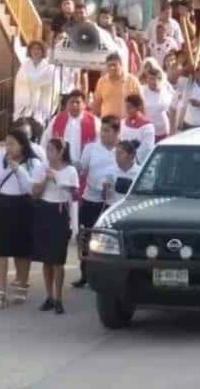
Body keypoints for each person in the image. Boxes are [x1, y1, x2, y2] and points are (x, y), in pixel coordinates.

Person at [0, 129, 42, 309]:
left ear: (22, 145)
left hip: (23, 205)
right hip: (3, 203)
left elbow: (30, 188)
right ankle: (1, 291)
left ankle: (21, 285)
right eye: (6, 143)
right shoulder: (0, 158)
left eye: (12, 144)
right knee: (0, 250)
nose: (8, 148)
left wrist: (17, 168)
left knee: (22, 249)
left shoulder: (33, 162)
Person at [31, 138, 78, 314]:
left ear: (60, 152)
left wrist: (57, 179)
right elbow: (35, 193)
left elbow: (74, 193)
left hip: (59, 212)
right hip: (44, 210)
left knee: (58, 259)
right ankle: (49, 296)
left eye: (52, 150)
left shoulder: (70, 170)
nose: (49, 153)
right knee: (46, 259)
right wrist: (45, 179)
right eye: (47, 149)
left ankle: (59, 298)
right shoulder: (41, 167)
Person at [73, 115, 119, 288]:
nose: (103, 134)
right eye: (102, 130)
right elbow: (82, 169)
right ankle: (85, 273)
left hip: (112, 202)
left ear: (116, 133)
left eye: (107, 130)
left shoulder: (122, 149)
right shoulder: (91, 148)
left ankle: (108, 275)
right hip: (91, 199)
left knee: (108, 240)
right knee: (86, 238)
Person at [41, 90, 100, 164]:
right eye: (71, 102)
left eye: (78, 102)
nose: (74, 105)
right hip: (61, 167)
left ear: (84, 104)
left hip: (85, 167)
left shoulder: (94, 122)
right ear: (67, 104)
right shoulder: (57, 120)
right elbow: (45, 141)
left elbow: (100, 144)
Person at [14, 41, 55, 123]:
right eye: (33, 49)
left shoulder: (49, 67)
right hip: (25, 104)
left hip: (41, 104)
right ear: (29, 51)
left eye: (38, 49)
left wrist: (35, 86)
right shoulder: (25, 65)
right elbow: (19, 82)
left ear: (43, 51)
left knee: (38, 126)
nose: (35, 51)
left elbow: (49, 85)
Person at [93, 53, 142, 118]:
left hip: (127, 124)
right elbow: (97, 104)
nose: (112, 68)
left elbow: (140, 104)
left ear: (121, 65)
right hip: (108, 124)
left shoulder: (132, 81)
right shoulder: (102, 81)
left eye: (114, 65)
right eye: (109, 66)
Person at [119, 94, 156, 164]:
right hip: (123, 161)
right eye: (126, 107)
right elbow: (120, 142)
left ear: (138, 108)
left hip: (138, 162)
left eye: (130, 108)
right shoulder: (122, 123)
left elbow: (147, 147)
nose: (127, 110)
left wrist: (133, 159)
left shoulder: (147, 126)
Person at [104, 140, 141, 207]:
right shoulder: (110, 171)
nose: (116, 157)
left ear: (131, 156)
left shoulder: (140, 172)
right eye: (116, 153)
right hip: (113, 209)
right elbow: (105, 198)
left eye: (120, 153)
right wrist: (105, 189)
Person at [142, 67, 174, 142]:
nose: (154, 81)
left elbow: (171, 111)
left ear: (160, 79)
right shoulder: (142, 90)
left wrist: (172, 130)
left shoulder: (166, 90)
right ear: (147, 79)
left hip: (163, 131)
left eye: (156, 79)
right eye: (151, 79)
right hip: (147, 131)